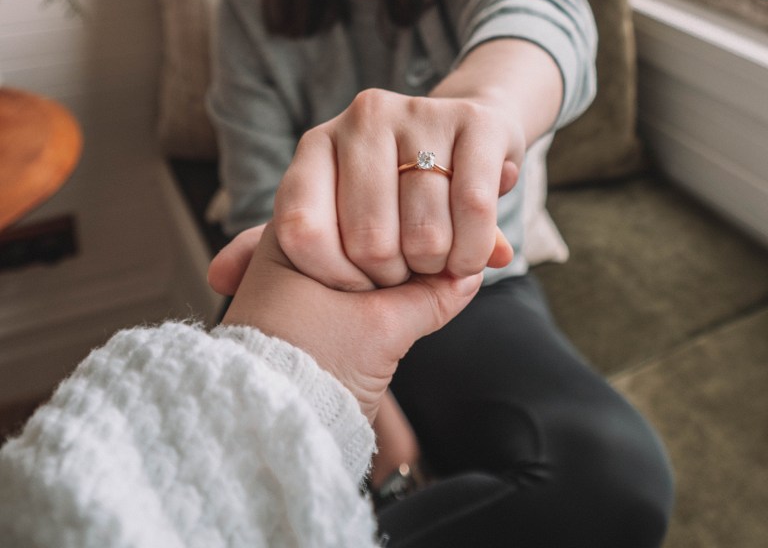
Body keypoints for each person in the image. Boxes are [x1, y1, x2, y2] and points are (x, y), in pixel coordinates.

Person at [207, 0, 676, 546]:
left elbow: (544, 11)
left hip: (475, 292)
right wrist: (375, 417)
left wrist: (480, 110)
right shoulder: (245, 4)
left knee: (620, 478)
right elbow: (256, 204)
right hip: (316, 295)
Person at [0, 222, 505, 547]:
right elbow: (271, 212)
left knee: (579, 464)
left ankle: (390, 475)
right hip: (314, 264)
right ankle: (394, 475)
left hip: (493, 287)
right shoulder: (251, 54)